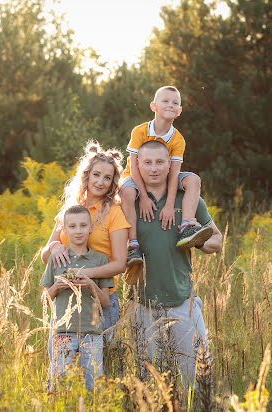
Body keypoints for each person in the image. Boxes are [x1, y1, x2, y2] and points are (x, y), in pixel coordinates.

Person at [126, 140, 222, 389]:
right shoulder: (128, 202)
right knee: (148, 385)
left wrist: (196, 241)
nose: (154, 168)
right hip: (142, 306)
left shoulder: (188, 200)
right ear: (138, 165)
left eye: (160, 162)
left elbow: (217, 241)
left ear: (170, 165)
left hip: (183, 302)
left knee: (200, 379)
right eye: (147, 162)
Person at [41, 142, 130, 333]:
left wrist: (85, 274)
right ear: (86, 175)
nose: (100, 182)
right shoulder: (71, 209)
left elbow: (120, 264)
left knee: (99, 360)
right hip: (66, 299)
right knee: (64, 360)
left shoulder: (114, 213)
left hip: (102, 299)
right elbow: (45, 256)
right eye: (96, 174)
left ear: (113, 182)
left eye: (107, 178)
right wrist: (55, 246)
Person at [120, 85, 212, 266]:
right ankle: (133, 244)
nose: (170, 105)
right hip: (136, 176)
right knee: (128, 193)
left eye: (175, 103)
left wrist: (170, 205)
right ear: (153, 106)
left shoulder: (178, 140)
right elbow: (133, 165)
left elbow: (174, 172)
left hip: (165, 177)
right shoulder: (139, 131)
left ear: (179, 111)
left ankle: (186, 226)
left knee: (193, 179)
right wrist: (144, 197)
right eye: (165, 101)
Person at [40, 205, 114, 390]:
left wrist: (90, 284)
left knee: (94, 386)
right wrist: (57, 286)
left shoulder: (101, 260)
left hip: (92, 333)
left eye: (83, 225)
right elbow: (44, 301)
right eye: (72, 226)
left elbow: (105, 302)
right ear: (64, 230)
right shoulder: (56, 259)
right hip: (63, 333)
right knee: (59, 385)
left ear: (90, 228)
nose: (78, 231)